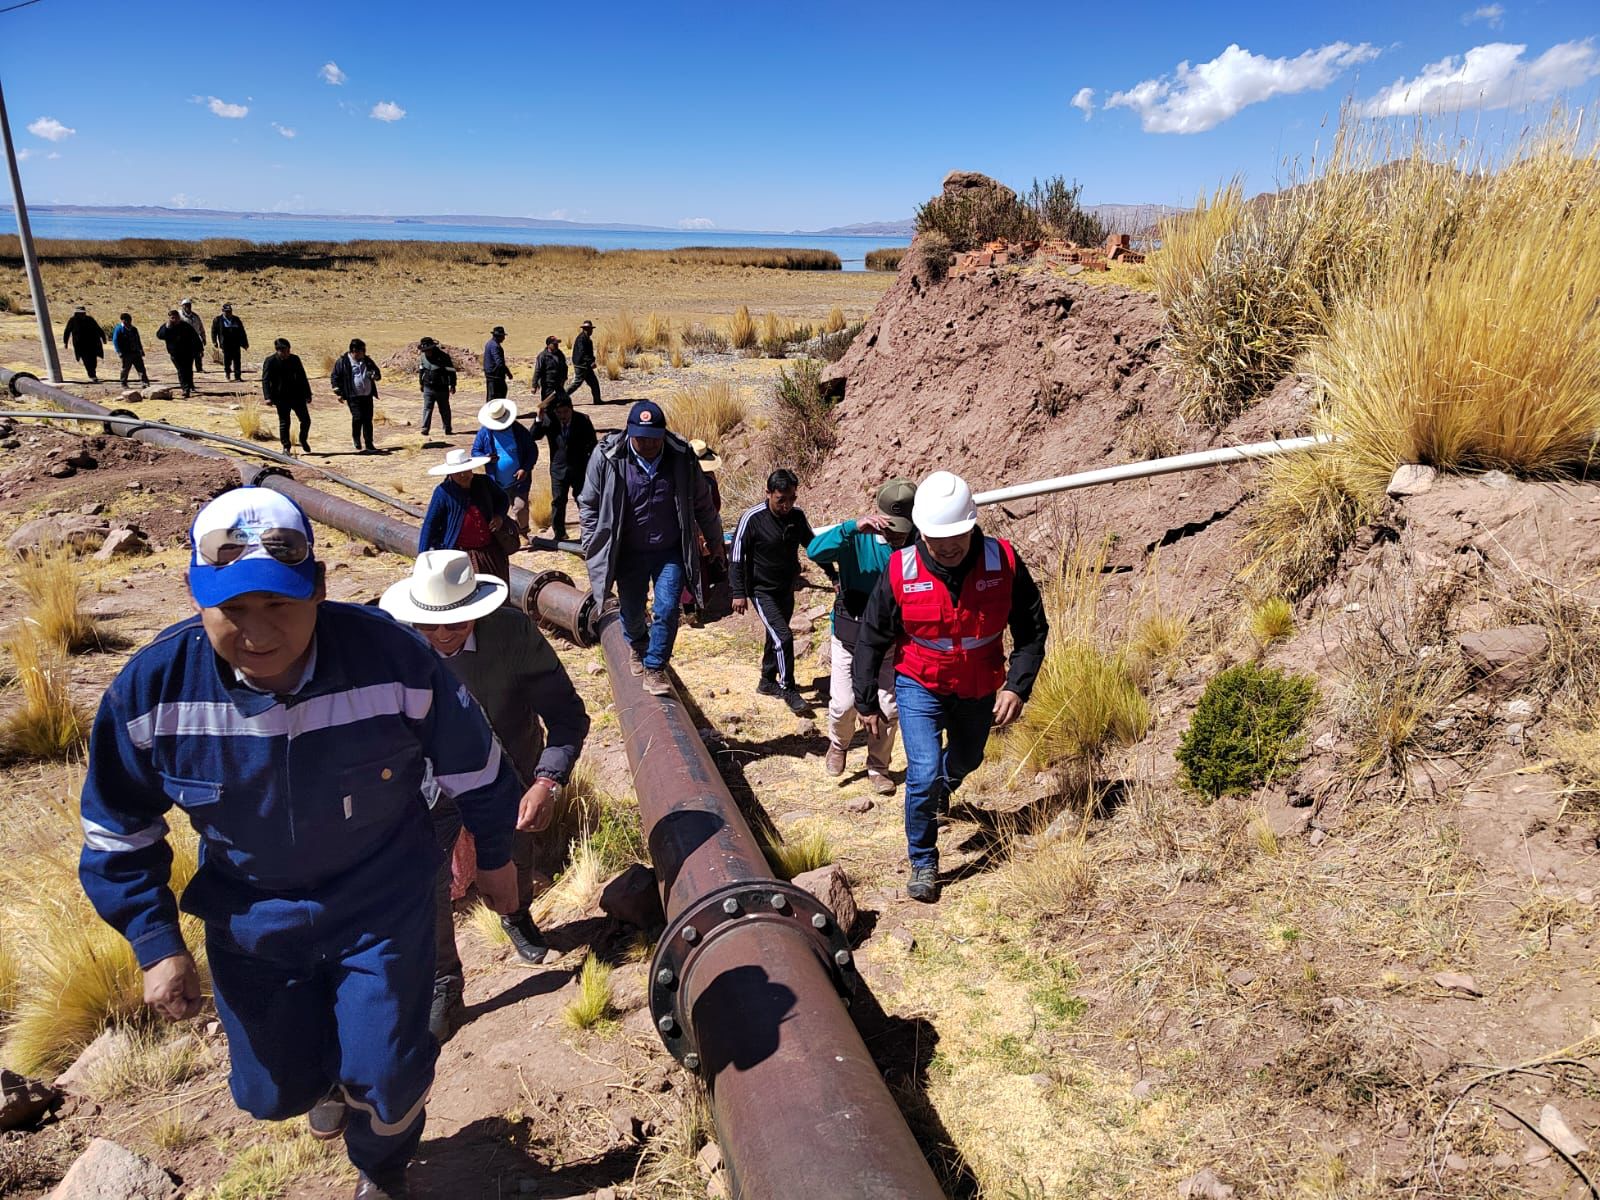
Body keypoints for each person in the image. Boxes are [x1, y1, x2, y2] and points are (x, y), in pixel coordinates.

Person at [78, 487, 522, 1200]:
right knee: (272, 1092)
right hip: (253, 920)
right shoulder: (152, 693)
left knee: (392, 1072)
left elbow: (478, 765)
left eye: (279, 605)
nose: (257, 631)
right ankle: (324, 1079)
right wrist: (156, 942)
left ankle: (383, 1168)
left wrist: (496, 858)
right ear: (196, 596)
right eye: (233, 609)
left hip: (383, 903)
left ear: (317, 589)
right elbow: (117, 828)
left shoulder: (392, 660)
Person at [379, 551, 590, 1043]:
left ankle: (516, 917)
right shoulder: (394, 645)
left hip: (510, 769)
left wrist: (546, 782)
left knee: (515, 852)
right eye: (430, 626)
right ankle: (444, 983)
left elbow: (566, 717)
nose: (442, 636)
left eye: (454, 623)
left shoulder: (513, 635)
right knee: (422, 877)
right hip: (425, 784)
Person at [852, 471, 1049, 903]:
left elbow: (1032, 630)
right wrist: (865, 698)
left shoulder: (1003, 562)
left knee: (967, 758)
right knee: (920, 774)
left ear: (973, 523)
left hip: (979, 686)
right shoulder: (901, 570)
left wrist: (1017, 686)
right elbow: (871, 635)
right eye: (937, 538)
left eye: (957, 535)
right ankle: (923, 860)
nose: (948, 547)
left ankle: (944, 788)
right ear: (920, 530)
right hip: (919, 683)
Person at [577, 400, 724, 698]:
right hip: (628, 550)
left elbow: (703, 505)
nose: (645, 444)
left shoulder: (681, 458)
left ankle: (655, 666)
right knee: (630, 611)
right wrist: (592, 544)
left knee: (668, 608)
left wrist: (716, 542)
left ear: (662, 434)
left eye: (652, 438)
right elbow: (589, 504)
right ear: (630, 432)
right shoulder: (607, 456)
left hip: (670, 550)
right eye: (640, 437)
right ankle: (638, 645)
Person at [807, 479, 916, 797]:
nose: (895, 534)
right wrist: (851, 528)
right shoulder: (857, 538)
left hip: (889, 643)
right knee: (843, 704)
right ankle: (838, 744)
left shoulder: (917, 545)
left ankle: (878, 767)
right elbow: (815, 551)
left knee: (888, 708)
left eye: (903, 528)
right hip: (849, 636)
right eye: (891, 526)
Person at [730, 469, 815, 715]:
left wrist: (833, 574)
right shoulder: (752, 518)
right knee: (784, 637)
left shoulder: (797, 517)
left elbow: (814, 546)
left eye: (791, 499)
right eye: (781, 500)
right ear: (768, 494)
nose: (787, 505)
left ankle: (766, 680)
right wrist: (738, 593)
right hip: (760, 589)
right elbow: (736, 557)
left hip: (785, 587)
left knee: (774, 635)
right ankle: (787, 687)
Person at [419, 446, 514, 584]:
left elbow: (503, 499)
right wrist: (423, 555)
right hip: (462, 554)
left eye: (465, 470)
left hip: (491, 550)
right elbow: (430, 524)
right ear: (450, 474)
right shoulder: (443, 492)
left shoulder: (484, 482)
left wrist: (499, 516)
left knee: (500, 585)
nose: (463, 475)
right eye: (458, 473)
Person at [530, 392, 596, 544]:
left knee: (583, 500)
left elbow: (592, 445)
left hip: (580, 468)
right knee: (558, 501)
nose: (562, 415)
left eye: (565, 411)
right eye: (559, 412)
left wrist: (590, 466)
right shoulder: (550, 420)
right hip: (558, 469)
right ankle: (559, 534)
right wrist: (539, 418)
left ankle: (587, 533)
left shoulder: (582, 420)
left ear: (571, 409)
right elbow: (533, 436)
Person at [471, 398, 538, 539]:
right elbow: (475, 452)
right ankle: (503, 538)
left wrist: (525, 468)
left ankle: (523, 533)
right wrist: (486, 457)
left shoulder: (518, 430)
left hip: (519, 481)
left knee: (520, 508)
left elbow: (532, 450)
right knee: (498, 511)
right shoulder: (485, 433)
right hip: (495, 483)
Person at [261, 337, 313, 455]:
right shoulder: (270, 361)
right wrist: (267, 397)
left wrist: (308, 394)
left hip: (297, 396)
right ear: (278, 350)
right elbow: (265, 380)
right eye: (284, 351)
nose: (286, 353)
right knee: (285, 422)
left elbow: (302, 377)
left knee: (306, 420)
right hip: (281, 397)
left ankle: (303, 439)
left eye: (288, 350)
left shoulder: (295, 359)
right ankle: (286, 447)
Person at [330, 338, 381, 454]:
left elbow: (377, 374)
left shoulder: (367, 361)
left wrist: (374, 375)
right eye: (362, 351)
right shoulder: (343, 362)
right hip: (353, 395)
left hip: (367, 395)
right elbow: (335, 377)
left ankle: (369, 443)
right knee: (358, 417)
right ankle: (356, 438)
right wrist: (338, 392)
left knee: (368, 419)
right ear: (354, 351)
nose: (363, 353)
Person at [417, 337, 457, 439]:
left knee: (444, 409)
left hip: (442, 388)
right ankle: (425, 428)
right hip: (428, 387)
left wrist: (453, 385)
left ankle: (447, 427)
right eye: (425, 351)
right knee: (427, 408)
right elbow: (421, 370)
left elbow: (451, 372)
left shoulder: (444, 357)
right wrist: (421, 383)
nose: (427, 352)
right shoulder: (422, 357)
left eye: (428, 350)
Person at [156, 309, 202, 396]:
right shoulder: (167, 327)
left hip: (188, 352)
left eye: (176, 317)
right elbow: (159, 336)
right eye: (172, 318)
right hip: (175, 354)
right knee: (181, 370)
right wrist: (167, 327)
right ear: (169, 318)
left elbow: (195, 337)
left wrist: (199, 350)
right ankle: (185, 389)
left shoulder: (185, 326)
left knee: (188, 370)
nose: (174, 319)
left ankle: (190, 385)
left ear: (179, 317)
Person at [62, 305, 106, 382]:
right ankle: (92, 375)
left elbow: (98, 328)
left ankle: (93, 372)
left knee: (93, 360)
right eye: (79, 313)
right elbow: (67, 331)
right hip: (80, 345)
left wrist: (103, 338)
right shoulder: (72, 320)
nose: (81, 315)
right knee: (86, 360)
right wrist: (65, 342)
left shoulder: (90, 319)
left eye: (82, 313)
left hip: (92, 344)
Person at [211, 303, 250, 382]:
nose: (228, 313)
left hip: (236, 343)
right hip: (225, 344)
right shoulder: (218, 320)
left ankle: (237, 376)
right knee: (227, 360)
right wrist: (214, 341)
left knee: (237, 360)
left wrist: (245, 343)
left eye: (230, 311)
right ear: (222, 311)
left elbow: (242, 332)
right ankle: (228, 374)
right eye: (226, 311)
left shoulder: (236, 319)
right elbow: (213, 332)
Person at [565, 319, 600, 405]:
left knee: (594, 383)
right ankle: (561, 397)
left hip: (585, 365)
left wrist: (591, 360)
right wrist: (590, 362)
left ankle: (597, 400)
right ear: (585, 329)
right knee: (577, 383)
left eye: (591, 329)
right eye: (589, 329)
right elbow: (582, 352)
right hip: (581, 365)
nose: (590, 331)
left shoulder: (586, 338)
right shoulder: (581, 339)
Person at [111, 312, 150, 387]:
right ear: (122, 320)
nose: (128, 322)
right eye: (126, 320)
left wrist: (141, 350)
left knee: (141, 368)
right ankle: (123, 383)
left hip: (135, 352)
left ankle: (145, 383)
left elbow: (138, 340)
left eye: (129, 320)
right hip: (125, 353)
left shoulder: (134, 329)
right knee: (125, 369)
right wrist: (119, 351)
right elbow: (115, 340)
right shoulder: (119, 329)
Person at [533, 335, 568, 402]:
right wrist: (534, 385)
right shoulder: (542, 356)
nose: (556, 345)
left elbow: (564, 367)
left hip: (559, 384)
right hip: (548, 384)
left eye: (557, 343)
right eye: (554, 344)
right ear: (548, 345)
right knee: (547, 403)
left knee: (562, 402)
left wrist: (564, 378)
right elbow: (538, 370)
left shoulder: (560, 354)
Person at [178, 299, 206, 375]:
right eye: (186, 305)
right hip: (183, 339)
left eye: (189, 305)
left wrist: (203, 337)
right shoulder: (179, 316)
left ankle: (199, 368)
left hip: (195, 338)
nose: (188, 306)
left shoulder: (195, 316)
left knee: (198, 354)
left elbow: (201, 327)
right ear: (182, 306)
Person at [483, 326, 511, 402]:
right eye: (502, 336)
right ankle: (493, 412)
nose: (504, 338)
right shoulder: (495, 346)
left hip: (491, 373)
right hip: (495, 375)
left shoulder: (489, 343)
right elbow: (499, 362)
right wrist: (507, 372)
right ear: (498, 336)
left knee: (493, 394)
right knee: (496, 395)